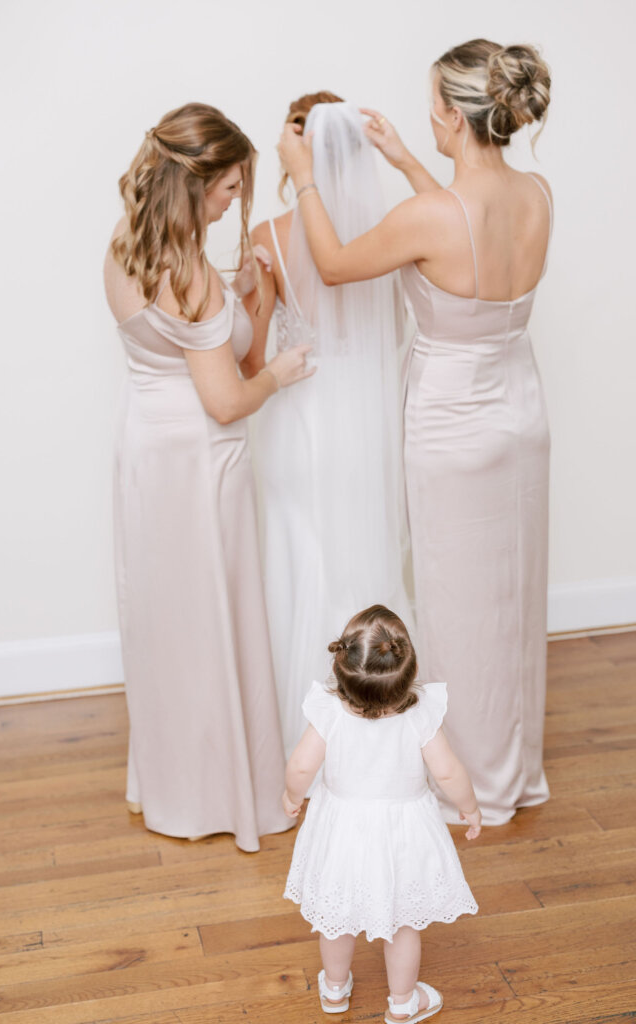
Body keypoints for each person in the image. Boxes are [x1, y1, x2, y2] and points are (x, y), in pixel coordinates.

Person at [278, 40, 553, 826]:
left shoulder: (431, 214)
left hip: (453, 424)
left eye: (431, 102)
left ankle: (470, 781)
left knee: (458, 599)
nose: (424, 113)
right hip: (520, 412)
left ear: (455, 115)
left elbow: (332, 264)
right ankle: (513, 765)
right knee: (512, 590)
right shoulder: (535, 193)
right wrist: (405, 162)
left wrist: (301, 174)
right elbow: (459, 238)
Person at [103, 102, 313, 849]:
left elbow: (185, 350)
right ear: (194, 183)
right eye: (227, 189)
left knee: (171, 624)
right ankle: (223, 796)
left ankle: (169, 783)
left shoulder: (126, 247)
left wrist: (245, 295)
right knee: (213, 619)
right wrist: (280, 374)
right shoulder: (189, 272)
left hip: (146, 453)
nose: (233, 205)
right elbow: (226, 399)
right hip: (199, 462)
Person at [245, 95, 412, 754]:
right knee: (363, 554)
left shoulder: (267, 238)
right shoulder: (387, 234)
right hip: (365, 418)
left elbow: (257, 359)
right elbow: (396, 332)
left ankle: (302, 734)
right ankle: (379, 725)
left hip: (302, 415)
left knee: (300, 550)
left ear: (296, 152)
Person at [282, 605, 480, 1023]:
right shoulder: (420, 712)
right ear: (408, 669)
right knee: (404, 922)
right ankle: (404, 1002)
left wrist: (291, 796)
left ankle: (335, 989)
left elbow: (302, 765)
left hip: (341, 832)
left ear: (342, 667)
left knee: (336, 919)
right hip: (404, 834)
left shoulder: (329, 711)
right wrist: (469, 806)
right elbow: (447, 771)